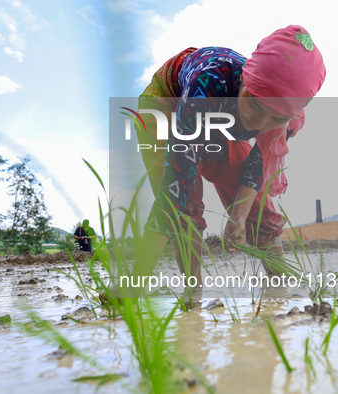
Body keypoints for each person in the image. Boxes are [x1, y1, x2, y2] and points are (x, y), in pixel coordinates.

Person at [131, 25, 326, 292]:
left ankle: (279, 287)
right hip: (168, 102)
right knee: (185, 204)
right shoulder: (209, 84)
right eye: (255, 104)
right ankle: (194, 293)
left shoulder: (287, 119)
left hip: (223, 115)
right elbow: (175, 186)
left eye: (277, 118)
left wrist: (238, 216)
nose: (260, 122)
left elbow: (256, 167)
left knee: (258, 208)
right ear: (245, 79)